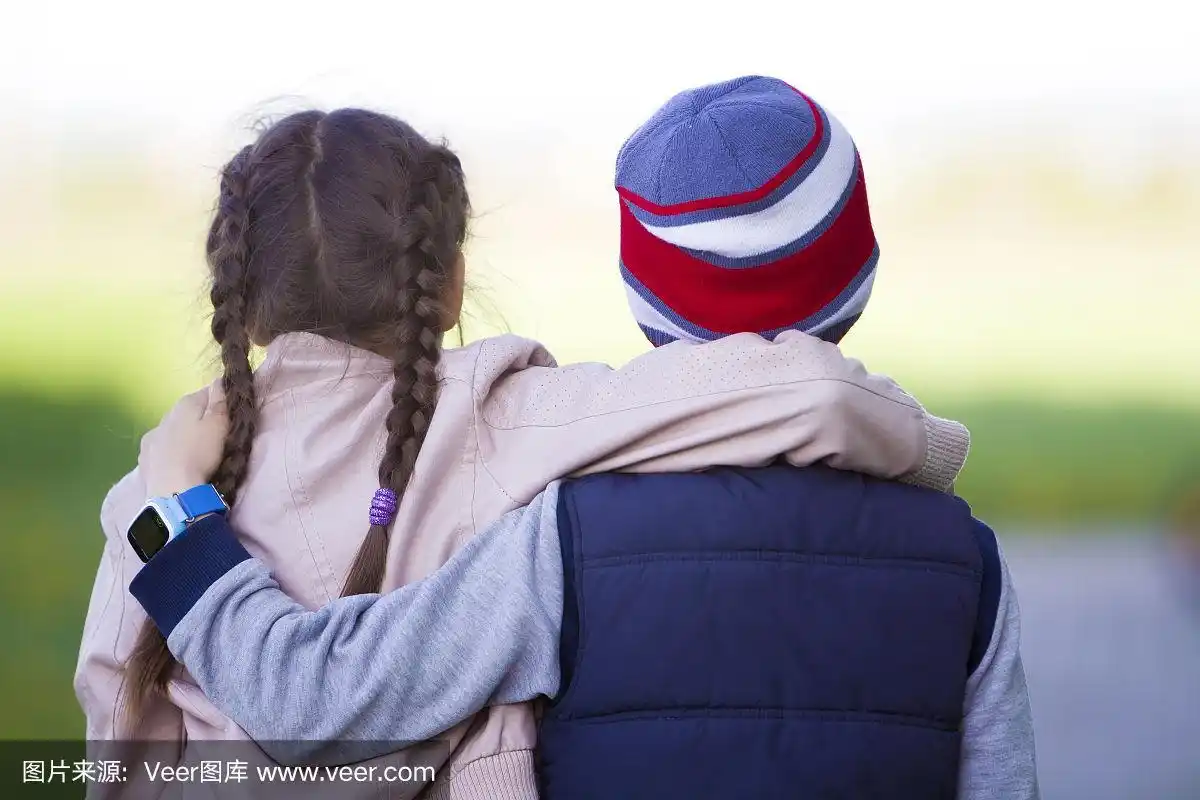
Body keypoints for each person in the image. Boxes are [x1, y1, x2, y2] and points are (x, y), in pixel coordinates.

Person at [77, 88, 974, 799]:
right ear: (449, 280)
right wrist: (926, 452)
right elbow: (805, 391)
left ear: (237, 288)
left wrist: (172, 512)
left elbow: (118, 755)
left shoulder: (155, 499)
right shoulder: (513, 419)